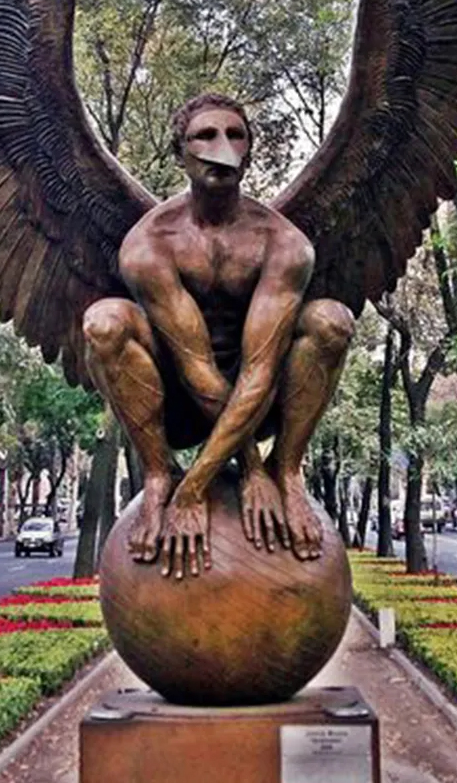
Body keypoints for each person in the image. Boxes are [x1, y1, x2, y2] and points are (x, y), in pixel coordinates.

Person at [83, 93, 355, 579]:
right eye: (205, 136)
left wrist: (261, 472)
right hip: (175, 403)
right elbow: (196, 367)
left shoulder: (284, 243)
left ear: (249, 149)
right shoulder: (149, 244)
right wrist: (201, 483)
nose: (221, 148)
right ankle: (158, 473)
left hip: (265, 401)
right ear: (179, 152)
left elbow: (261, 368)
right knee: (105, 322)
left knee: (331, 320)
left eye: (234, 135)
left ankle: (289, 471)